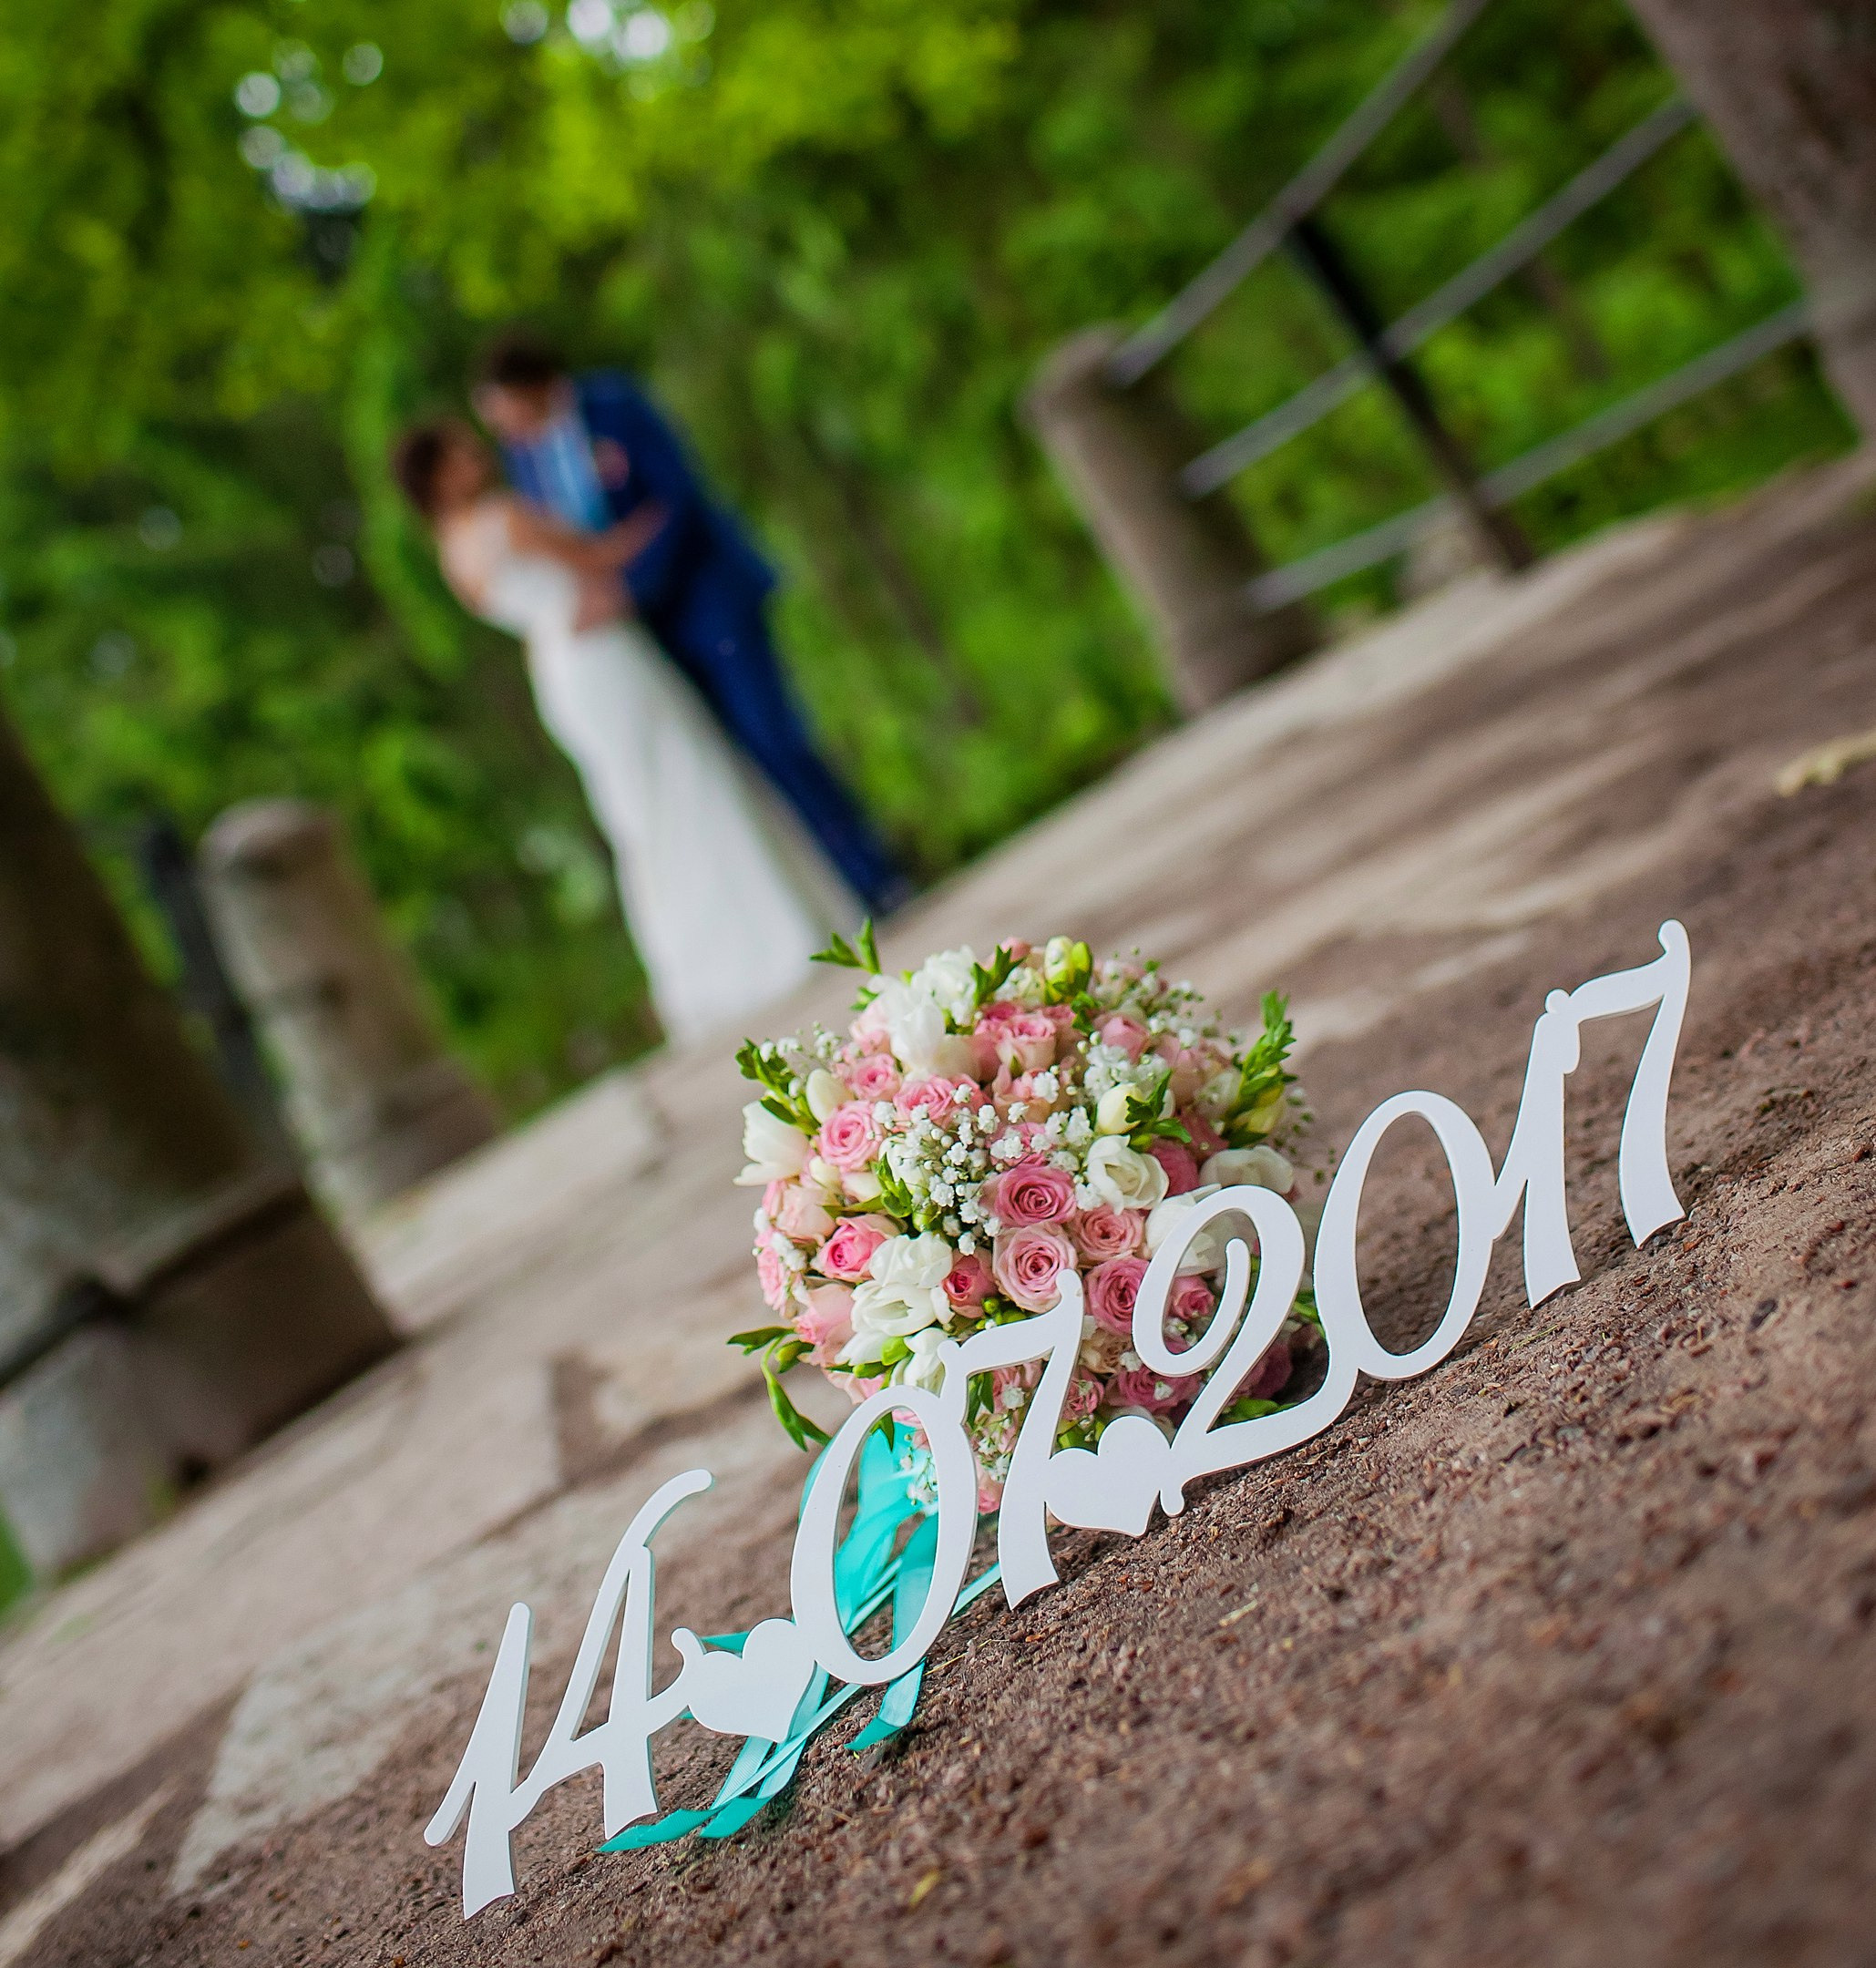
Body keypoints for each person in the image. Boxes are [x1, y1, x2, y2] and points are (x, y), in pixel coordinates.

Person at [390, 417, 856, 1042]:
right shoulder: (504, 515)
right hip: (602, 654)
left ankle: (700, 971)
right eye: (462, 454)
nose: (479, 456)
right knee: (686, 779)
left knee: (640, 811)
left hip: (558, 673)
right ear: (439, 476)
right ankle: (769, 940)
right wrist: (658, 510)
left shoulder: (450, 556)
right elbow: (601, 555)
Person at [471, 331, 909, 917]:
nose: (505, 430)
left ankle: (875, 878)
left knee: (774, 737)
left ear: (531, 388)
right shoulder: (524, 462)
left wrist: (628, 586)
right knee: (729, 767)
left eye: (506, 412)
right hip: (646, 638)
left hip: (708, 596)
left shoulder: (615, 406)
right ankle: (825, 899)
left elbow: (678, 498)